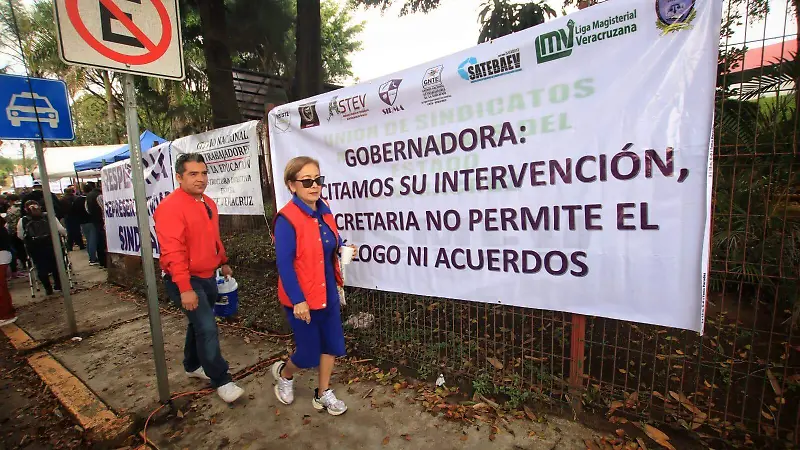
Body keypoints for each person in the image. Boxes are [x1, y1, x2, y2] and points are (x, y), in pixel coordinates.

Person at [154, 153, 244, 404]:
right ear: (179, 177)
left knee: (199, 325)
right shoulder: (170, 208)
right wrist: (184, 288)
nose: (201, 178)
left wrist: (223, 261)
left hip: (208, 276)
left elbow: (213, 237)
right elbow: (173, 252)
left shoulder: (208, 203)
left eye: (204, 173)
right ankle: (221, 380)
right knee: (206, 327)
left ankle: (192, 364)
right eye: (193, 174)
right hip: (184, 279)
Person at [270, 156, 354, 416]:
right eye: (307, 181)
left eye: (318, 180)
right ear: (292, 185)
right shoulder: (286, 219)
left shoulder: (324, 208)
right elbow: (284, 265)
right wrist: (298, 300)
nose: (314, 186)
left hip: (327, 289)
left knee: (332, 344)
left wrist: (343, 248)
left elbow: (331, 242)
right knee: (307, 353)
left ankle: (323, 392)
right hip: (302, 296)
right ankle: (285, 374)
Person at [17, 200, 66, 296]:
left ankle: (48, 288)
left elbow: (20, 235)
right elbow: (60, 229)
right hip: (52, 245)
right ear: (40, 206)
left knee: (40, 267)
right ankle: (58, 285)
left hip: (35, 248)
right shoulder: (49, 216)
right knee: (56, 265)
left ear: (25, 209)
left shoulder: (23, 220)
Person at [5, 196, 28, 277]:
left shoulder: (11, 210)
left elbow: (8, 221)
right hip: (24, 230)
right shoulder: (23, 207)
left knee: (17, 249)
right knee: (22, 248)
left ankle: (20, 265)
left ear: (10, 201)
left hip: (14, 232)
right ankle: (26, 263)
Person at [0, 215, 16, 327]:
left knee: (1, 288)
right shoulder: (2, 227)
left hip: (1, 257)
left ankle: (6, 314)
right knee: (2, 287)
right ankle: (7, 312)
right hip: (3, 255)